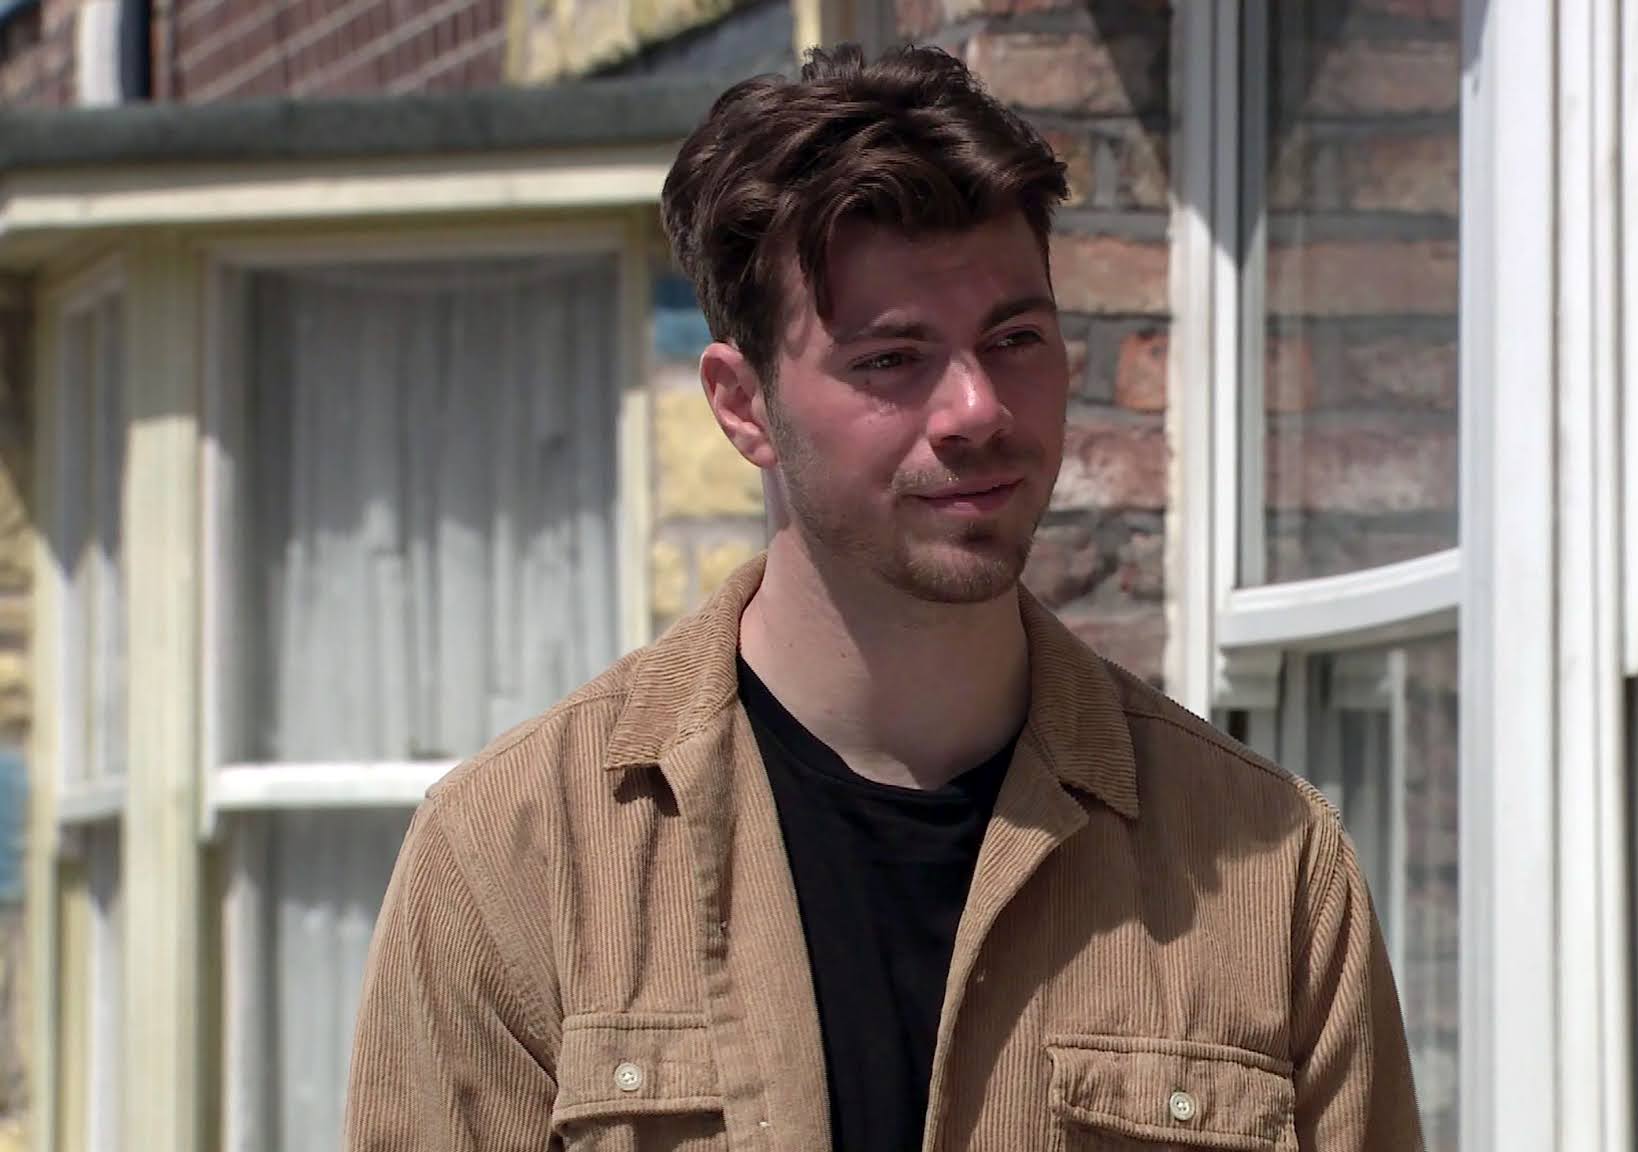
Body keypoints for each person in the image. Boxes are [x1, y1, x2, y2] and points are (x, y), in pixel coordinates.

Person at [345, 43, 1422, 1152]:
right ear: (742, 405)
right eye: (892, 359)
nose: (977, 409)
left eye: (1015, 339)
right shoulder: (513, 861)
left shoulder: (1269, 864)